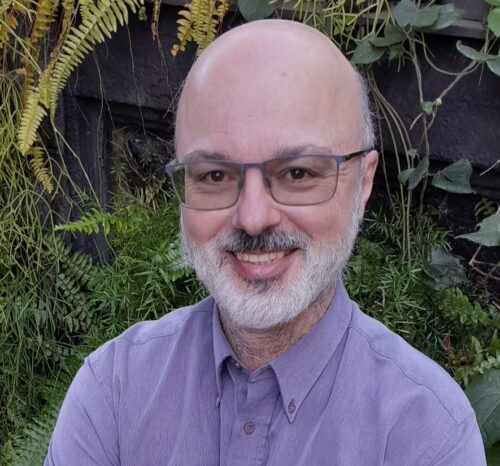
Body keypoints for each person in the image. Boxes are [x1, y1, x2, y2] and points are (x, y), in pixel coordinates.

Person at [45, 19, 486, 465]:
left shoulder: (426, 434)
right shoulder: (113, 394)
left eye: (297, 173)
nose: (253, 219)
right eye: (214, 176)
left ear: (364, 181)